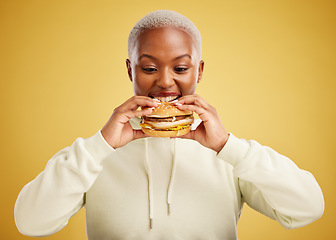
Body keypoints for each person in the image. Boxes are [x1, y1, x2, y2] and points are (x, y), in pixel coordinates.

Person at [14, 10, 324, 240]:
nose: (164, 81)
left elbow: (308, 208)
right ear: (130, 70)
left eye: (180, 67)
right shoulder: (94, 155)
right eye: (149, 67)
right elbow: (30, 222)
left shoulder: (229, 155)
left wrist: (229, 147)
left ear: (198, 71)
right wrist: (100, 147)